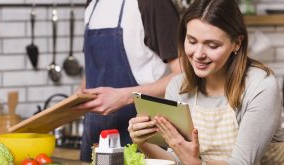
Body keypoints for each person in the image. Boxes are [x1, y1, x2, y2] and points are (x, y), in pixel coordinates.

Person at [128, 0, 284, 164]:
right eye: (192, 41)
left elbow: (242, 162)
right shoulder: (178, 86)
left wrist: (194, 162)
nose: (198, 54)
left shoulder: (260, 85)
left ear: (237, 43)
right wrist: (142, 142)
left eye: (212, 45)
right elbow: (179, 159)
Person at [73, 0, 181, 162]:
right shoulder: (93, 4)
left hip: (142, 137)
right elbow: (94, 66)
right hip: (96, 137)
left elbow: (184, 75)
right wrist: (79, 96)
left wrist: (125, 96)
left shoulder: (154, 4)